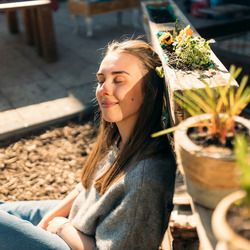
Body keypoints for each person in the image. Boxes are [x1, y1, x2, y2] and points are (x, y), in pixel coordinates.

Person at [0, 39, 176, 250]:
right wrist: (48, 220)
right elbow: (87, 187)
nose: (104, 89)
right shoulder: (121, 140)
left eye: (118, 80)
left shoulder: (145, 180)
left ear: (151, 91)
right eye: (101, 80)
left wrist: (61, 227)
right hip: (77, 220)